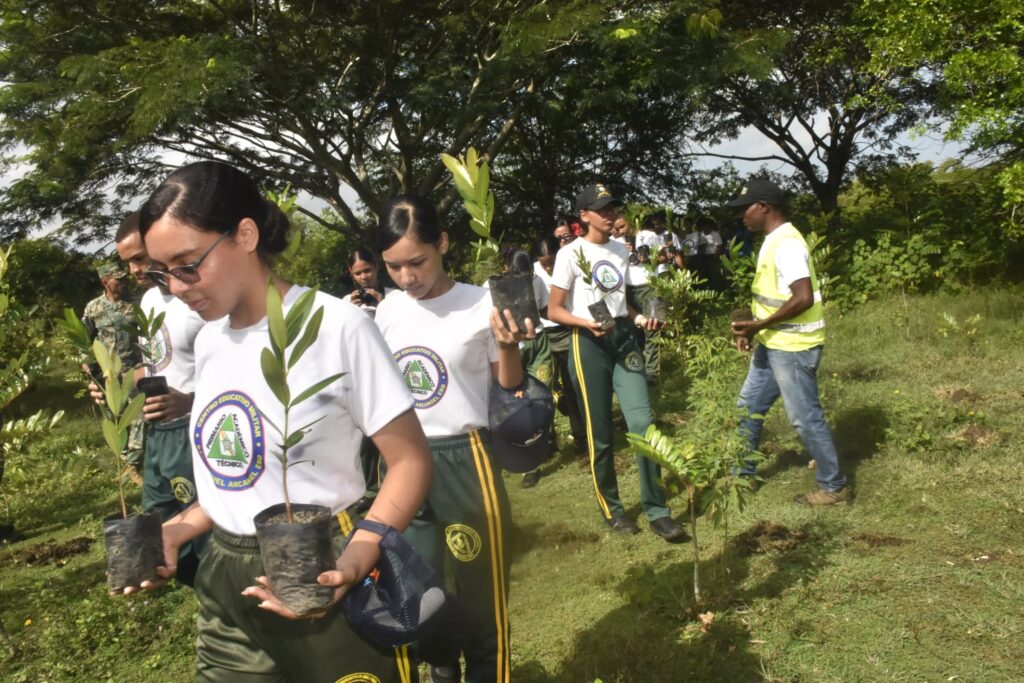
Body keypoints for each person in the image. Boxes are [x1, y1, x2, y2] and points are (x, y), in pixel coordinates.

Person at [132, 160, 433, 682]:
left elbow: (409, 461)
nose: (176, 288)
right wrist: (179, 530)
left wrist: (359, 556)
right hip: (226, 581)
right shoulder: (209, 342)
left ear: (244, 235)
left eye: (186, 265)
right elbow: (241, 476)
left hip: (322, 564)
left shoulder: (336, 326)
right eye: (162, 274)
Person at [374, 194, 532, 683]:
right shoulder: (389, 311)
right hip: (402, 462)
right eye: (394, 267)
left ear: (442, 244)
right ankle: (442, 666)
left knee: (480, 595)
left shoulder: (481, 302)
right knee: (418, 594)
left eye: (416, 262)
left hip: (467, 459)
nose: (406, 277)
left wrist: (507, 347)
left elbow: (509, 389)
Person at [546, 183, 685, 541]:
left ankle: (657, 509)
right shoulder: (568, 254)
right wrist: (585, 323)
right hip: (588, 344)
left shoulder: (622, 251)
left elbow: (626, 300)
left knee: (643, 424)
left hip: (624, 339)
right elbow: (554, 309)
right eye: (603, 209)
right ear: (584, 215)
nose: (610, 215)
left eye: (613, 208)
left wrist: (640, 319)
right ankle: (613, 508)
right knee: (601, 432)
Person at [726, 178, 850, 505]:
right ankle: (742, 476)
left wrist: (758, 325)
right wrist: (756, 329)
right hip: (773, 343)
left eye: (745, 210)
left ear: (764, 207)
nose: (742, 217)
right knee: (748, 407)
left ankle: (834, 486)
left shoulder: (788, 244)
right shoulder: (772, 240)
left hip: (793, 348)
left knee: (804, 417)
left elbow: (803, 297)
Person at [110, 210, 207, 585]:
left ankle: (225, 602)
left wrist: (191, 402)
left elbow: (236, 372)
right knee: (161, 521)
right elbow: (155, 364)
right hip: (157, 432)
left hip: (194, 428)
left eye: (138, 257)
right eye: (127, 262)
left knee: (204, 530)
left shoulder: (199, 301)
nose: (133, 270)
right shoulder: (150, 301)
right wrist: (114, 385)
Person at [82, 261, 146, 477]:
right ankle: (127, 460)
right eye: (118, 279)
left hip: (135, 370)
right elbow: (87, 339)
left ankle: (136, 464)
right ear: (105, 282)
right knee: (115, 418)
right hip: (109, 374)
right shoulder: (94, 308)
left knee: (138, 414)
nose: (124, 281)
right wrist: (89, 369)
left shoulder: (138, 303)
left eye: (124, 277)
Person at [345, 247, 393, 514]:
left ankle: (391, 483)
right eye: (358, 272)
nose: (364, 277)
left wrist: (381, 303)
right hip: (360, 378)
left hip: (393, 371)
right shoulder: (344, 304)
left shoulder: (395, 298)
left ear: (377, 268)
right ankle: (367, 489)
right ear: (351, 274)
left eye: (368, 270)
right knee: (364, 440)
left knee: (391, 434)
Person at [541, 230, 589, 458]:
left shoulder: (569, 261)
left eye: (551, 263)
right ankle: (548, 441)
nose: (549, 268)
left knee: (572, 384)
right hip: (542, 337)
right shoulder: (532, 273)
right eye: (544, 265)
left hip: (566, 333)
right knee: (546, 389)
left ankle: (581, 435)